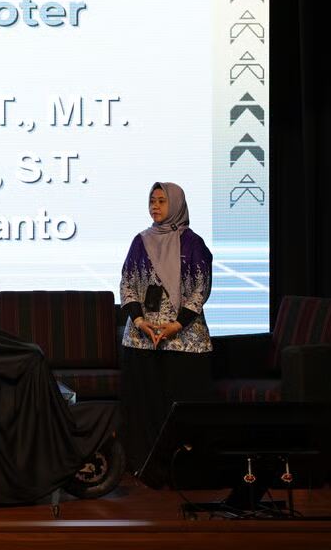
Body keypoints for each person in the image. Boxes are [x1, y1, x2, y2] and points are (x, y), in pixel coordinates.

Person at [118, 181, 213, 475]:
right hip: (143, 338)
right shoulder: (140, 241)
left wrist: (176, 325)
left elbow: (200, 288)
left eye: (162, 201)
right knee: (145, 406)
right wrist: (139, 321)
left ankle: (184, 469)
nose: (155, 206)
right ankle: (144, 465)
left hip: (184, 340)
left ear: (176, 204)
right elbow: (127, 283)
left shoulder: (194, 244)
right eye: (152, 201)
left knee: (181, 408)